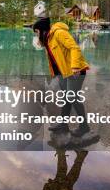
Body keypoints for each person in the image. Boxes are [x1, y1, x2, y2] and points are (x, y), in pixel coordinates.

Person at [32, 17, 98, 147]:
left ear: (43, 30)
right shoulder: (49, 39)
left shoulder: (59, 33)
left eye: (37, 32)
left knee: (72, 97)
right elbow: (55, 59)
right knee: (67, 98)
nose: (37, 34)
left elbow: (74, 48)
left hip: (75, 71)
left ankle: (84, 127)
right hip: (63, 73)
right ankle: (63, 124)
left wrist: (75, 67)